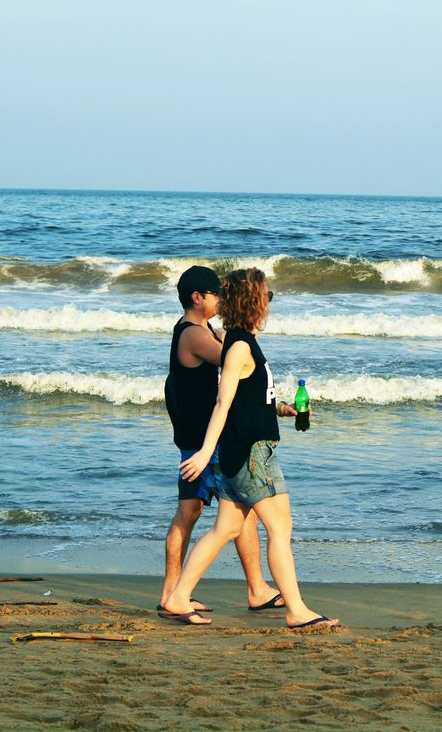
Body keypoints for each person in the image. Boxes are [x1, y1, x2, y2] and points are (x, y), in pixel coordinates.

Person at [163, 268, 337, 630]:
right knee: (280, 528)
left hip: (242, 451)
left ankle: (179, 597)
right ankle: (296, 611)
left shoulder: (240, 342)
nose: (270, 302)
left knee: (225, 528)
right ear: (255, 303)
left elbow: (246, 397)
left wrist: (280, 407)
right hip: (252, 454)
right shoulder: (239, 345)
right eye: (266, 296)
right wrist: (203, 451)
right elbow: (222, 403)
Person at [158, 265, 285, 618]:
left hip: (205, 436)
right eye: (217, 295)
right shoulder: (193, 334)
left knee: (230, 511)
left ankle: (254, 588)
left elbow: (244, 379)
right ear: (197, 298)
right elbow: (238, 365)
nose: (221, 300)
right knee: (195, 511)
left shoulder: (208, 329)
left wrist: (278, 403)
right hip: (202, 439)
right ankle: (174, 593)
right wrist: (247, 325)